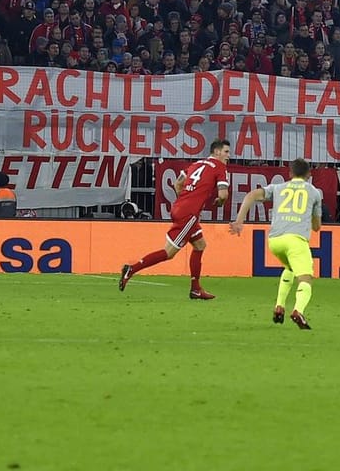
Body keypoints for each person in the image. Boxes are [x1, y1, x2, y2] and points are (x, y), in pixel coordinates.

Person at [120, 139, 230, 299]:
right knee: (169, 252)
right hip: (188, 214)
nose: (229, 156)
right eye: (226, 152)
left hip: (180, 208)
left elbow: (178, 184)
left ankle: (195, 288)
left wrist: (184, 201)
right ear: (217, 152)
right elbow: (223, 194)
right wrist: (220, 202)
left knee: (200, 245)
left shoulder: (197, 164)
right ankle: (132, 269)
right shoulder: (220, 167)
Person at [229, 157, 324, 329]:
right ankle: (298, 311)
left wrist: (239, 221)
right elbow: (317, 227)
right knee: (306, 278)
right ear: (309, 174)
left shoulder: (278, 187)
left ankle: (279, 306)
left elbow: (251, 195)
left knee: (289, 268)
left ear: (290, 173)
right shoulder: (315, 192)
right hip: (295, 240)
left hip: (275, 240)